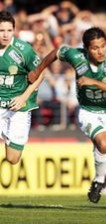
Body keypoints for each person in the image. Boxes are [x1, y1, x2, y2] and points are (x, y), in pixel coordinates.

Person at [28, 27, 106, 211]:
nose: (100, 52)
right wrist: (38, 70)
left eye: (103, 46)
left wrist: (93, 82)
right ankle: (99, 181)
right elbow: (57, 52)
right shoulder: (76, 56)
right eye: (95, 48)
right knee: (104, 142)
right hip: (89, 111)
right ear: (86, 48)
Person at [0, 10, 43, 165]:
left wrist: (24, 97)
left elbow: (41, 74)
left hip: (19, 108)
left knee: (12, 159)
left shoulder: (23, 50)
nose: (5, 35)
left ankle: (7, 135)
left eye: (9, 30)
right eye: (1, 30)